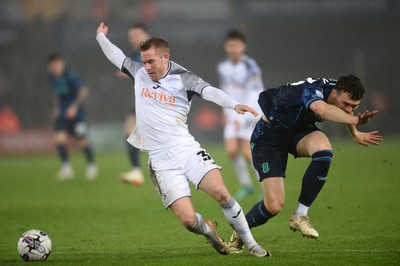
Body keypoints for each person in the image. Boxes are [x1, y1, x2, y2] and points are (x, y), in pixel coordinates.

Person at [96, 22, 270, 257]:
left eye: (151, 61)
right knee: (188, 220)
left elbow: (209, 91)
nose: (146, 67)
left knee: (221, 193)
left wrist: (233, 104)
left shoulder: (183, 78)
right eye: (144, 61)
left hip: (186, 149)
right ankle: (209, 233)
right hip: (160, 160)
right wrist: (101, 38)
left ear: (165, 57)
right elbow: (116, 56)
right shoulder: (138, 72)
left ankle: (251, 244)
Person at [228, 76, 382, 253]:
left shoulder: (339, 93)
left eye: (353, 107)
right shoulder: (313, 90)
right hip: (269, 137)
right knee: (274, 206)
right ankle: (240, 232)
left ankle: (300, 215)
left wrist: (354, 134)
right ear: (333, 93)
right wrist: (355, 121)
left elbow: (346, 111)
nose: (348, 109)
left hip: (298, 132)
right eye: (346, 104)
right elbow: (322, 110)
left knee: (324, 149)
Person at [217, 30, 264, 200]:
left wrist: (242, 118)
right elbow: (225, 91)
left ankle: (264, 187)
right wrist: (226, 112)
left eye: (236, 45)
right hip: (233, 111)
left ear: (243, 46)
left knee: (246, 151)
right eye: (230, 46)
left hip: (250, 111)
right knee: (230, 151)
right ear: (226, 47)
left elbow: (255, 93)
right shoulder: (223, 67)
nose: (233, 49)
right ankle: (246, 185)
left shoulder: (250, 66)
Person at [47, 53, 98, 181]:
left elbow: (84, 91)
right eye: (53, 65)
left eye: (58, 64)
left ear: (62, 63)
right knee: (59, 139)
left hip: (77, 115)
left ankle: (91, 166)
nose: (56, 67)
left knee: (82, 141)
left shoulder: (70, 76)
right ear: (49, 67)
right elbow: (56, 94)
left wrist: (74, 107)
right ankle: (66, 169)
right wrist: (56, 108)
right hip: (62, 114)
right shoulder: (51, 78)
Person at [118, 23, 150, 185]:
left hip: (157, 101)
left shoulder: (155, 51)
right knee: (129, 129)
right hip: (142, 101)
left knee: (161, 138)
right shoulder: (133, 55)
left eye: (137, 35)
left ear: (147, 34)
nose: (133, 39)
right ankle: (136, 171)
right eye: (131, 36)